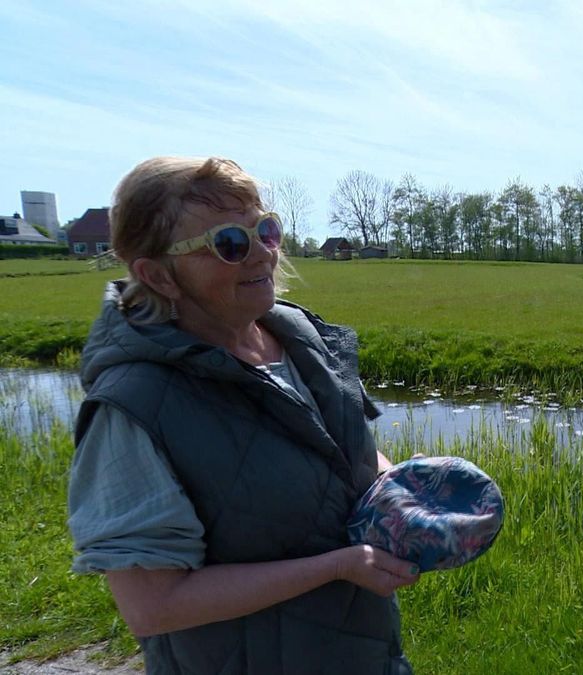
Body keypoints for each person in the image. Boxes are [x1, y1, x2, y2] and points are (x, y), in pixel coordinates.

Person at [67, 157, 420, 674]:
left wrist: (399, 481)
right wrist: (338, 567)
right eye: (229, 244)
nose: (262, 253)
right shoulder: (134, 405)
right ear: (157, 275)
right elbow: (153, 606)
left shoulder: (304, 340)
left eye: (266, 229)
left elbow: (341, 453)